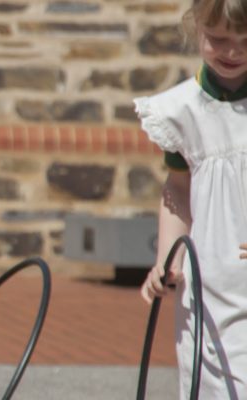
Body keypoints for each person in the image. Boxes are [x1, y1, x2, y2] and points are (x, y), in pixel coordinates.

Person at [138, 0, 247, 397]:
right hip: (209, 282)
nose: (232, 52)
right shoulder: (181, 110)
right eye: (219, 39)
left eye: (245, 42)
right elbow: (178, 189)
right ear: (197, 27)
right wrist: (169, 258)